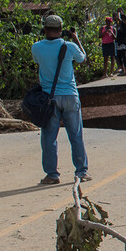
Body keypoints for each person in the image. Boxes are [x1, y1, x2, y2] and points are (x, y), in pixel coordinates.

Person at [32, 14, 89, 185]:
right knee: (76, 135)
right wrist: (76, 39)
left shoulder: (37, 47)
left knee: (49, 138)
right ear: (61, 29)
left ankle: (52, 174)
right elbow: (82, 58)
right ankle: (81, 171)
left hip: (49, 98)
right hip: (70, 96)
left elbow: (38, 62)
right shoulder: (69, 46)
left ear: (45, 29)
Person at [114, 11, 126, 76]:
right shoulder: (120, 26)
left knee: (123, 56)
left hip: (123, 42)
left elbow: (120, 20)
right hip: (119, 42)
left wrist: (118, 14)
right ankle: (123, 70)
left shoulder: (125, 25)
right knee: (119, 56)